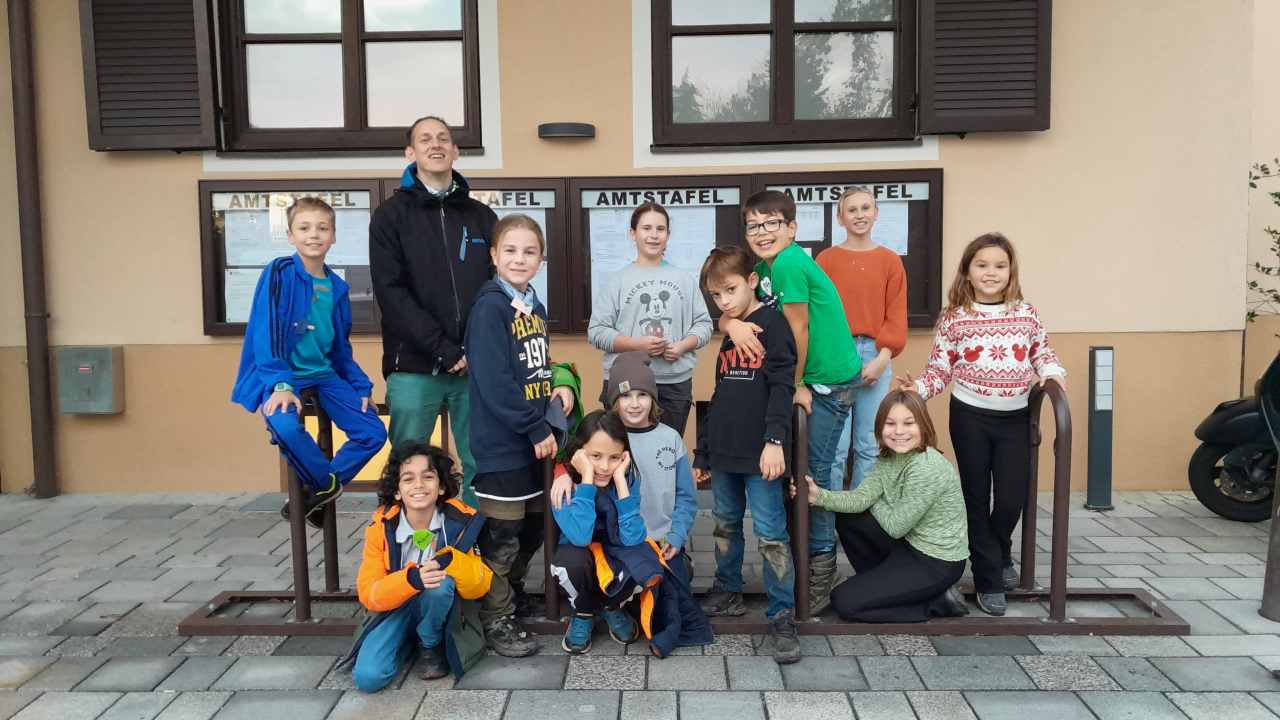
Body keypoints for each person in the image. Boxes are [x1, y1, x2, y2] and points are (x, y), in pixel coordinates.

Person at [897, 232, 1066, 616]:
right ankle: (989, 578)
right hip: (971, 417)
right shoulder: (955, 318)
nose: (991, 272)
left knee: (1010, 500)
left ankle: (1000, 550)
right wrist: (918, 388)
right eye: (982, 265)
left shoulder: (1026, 313)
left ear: (1011, 271)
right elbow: (940, 369)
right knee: (975, 498)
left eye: (1000, 266)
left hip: (1015, 419)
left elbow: (1043, 354)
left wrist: (1053, 373)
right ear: (968, 271)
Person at [720, 190, 862, 616]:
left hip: (827, 380)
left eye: (771, 223)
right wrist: (729, 323)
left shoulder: (788, 264)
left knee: (811, 477)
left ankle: (821, 572)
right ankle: (804, 565)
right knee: (799, 478)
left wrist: (797, 383)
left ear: (792, 228)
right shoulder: (765, 268)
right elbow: (740, 304)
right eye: (753, 225)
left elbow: (798, 328)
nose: (761, 232)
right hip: (811, 377)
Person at [232, 196, 387, 527]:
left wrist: (360, 385)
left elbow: (340, 347)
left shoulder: (337, 287)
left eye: (322, 228)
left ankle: (317, 493)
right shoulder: (281, 271)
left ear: (333, 236)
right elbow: (270, 330)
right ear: (290, 235)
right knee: (285, 426)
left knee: (372, 431)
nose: (313, 235)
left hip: (324, 374)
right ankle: (324, 486)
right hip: (283, 377)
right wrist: (280, 383)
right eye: (304, 228)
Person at [369, 116, 498, 508]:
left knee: (482, 462)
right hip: (414, 367)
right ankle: (404, 541)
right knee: (409, 466)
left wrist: (473, 350)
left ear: (455, 151)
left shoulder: (482, 217)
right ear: (411, 153)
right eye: (425, 139)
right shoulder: (390, 216)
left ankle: (475, 540)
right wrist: (444, 350)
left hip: (474, 368)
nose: (435, 144)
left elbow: (498, 290)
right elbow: (392, 294)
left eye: (443, 138)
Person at [465, 213, 576, 656]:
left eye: (529, 252)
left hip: (534, 444)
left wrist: (559, 388)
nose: (519, 258)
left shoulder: (533, 306)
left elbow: (537, 368)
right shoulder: (490, 308)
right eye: (510, 250)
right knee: (501, 536)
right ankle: (492, 616)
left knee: (531, 531)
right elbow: (494, 380)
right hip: (504, 445)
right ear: (494, 256)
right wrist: (533, 426)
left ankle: (508, 597)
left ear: (541, 260)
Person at [693, 246, 801, 665]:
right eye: (716, 296)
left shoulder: (774, 326)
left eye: (731, 290)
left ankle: (782, 612)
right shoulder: (731, 331)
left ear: (752, 281)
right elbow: (720, 394)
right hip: (724, 452)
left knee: (771, 533)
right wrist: (703, 452)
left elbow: (782, 387)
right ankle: (728, 590)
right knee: (724, 524)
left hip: (761, 455)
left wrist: (775, 442)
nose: (724, 302)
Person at [796, 390, 969, 623]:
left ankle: (937, 603)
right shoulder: (890, 457)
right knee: (848, 515)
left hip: (937, 562)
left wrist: (874, 501)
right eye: (890, 423)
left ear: (924, 426)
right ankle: (882, 589)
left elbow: (896, 527)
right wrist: (819, 496)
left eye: (909, 423)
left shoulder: (926, 468)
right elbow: (860, 498)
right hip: (909, 546)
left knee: (844, 602)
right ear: (880, 428)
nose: (899, 431)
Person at [550, 411, 712, 656]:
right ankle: (583, 612)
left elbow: (632, 538)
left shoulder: (627, 479)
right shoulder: (565, 485)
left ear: (624, 456)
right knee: (571, 559)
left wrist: (621, 484)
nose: (604, 466)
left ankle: (611, 605)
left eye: (614, 457)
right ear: (579, 452)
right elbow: (580, 537)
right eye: (595, 456)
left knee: (644, 557)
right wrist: (586, 481)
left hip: (616, 553)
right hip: (581, 557)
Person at [344, 443, 493, 690]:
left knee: (441, 583)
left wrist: (452, 561)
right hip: (395, 608)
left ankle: (430, 643)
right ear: (397, 492)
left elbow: (480, 585)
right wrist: (411, 579)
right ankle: (407, 642)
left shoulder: (461, 523)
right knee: (368, 679)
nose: (419, 485)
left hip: (440, 608)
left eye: (428, 477)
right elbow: (369, 594)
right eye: (408, 479)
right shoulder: (380, 530)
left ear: (441, 487)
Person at [551, 351, 698, 587]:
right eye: (626, 395)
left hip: (660, 541)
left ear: (653, 398)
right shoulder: (605, 435)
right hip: (618, 541)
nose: (635, 403)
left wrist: (677, 536)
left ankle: (682, 563)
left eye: (643, 394)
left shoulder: (670, 439)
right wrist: (561, 474)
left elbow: (686, 497)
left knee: (677, 595)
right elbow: (573, 458)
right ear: (614, 400)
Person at [587, 203, 713, 435]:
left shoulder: (685, 279)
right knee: (622, 450)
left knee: (666, 450)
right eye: (646, 228)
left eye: (660, 229)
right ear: (633, 233)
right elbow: (597, 332)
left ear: (668, 235)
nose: (654, 235)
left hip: (674, 384)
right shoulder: (617, 281)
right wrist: (637, 346)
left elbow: (704, 325)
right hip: (625, 382)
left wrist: (683, 346)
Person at [816, 187, 908, 489]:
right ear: (840, 218)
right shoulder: (826, 260)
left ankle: (861, 513)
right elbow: (818, 314)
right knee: (834, 445)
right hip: (835, 353)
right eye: (852, 210)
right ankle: (829, 513)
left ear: (876, 213)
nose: (860, 215)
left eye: (866, 208)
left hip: (875, 352)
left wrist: (884, 357)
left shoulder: (890, 261)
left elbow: (896, 313)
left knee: (869, 443)